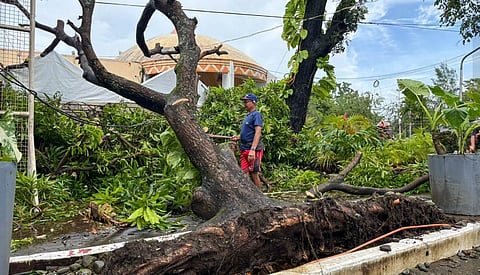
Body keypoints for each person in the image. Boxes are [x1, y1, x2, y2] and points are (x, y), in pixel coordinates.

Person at [231, 93, 264, 189]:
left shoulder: (256, 115)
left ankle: (260, 197)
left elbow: (258, 133)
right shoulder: (248, 116)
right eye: (244, 102)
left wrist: (253, 150)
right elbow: (248, 133)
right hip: (244, 148)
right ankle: (248, 195)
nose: (245, 104)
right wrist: (238, 137)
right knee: (244, 173)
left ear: (253, 102)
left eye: (246, 101)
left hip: (253, 149)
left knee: (254, 173)